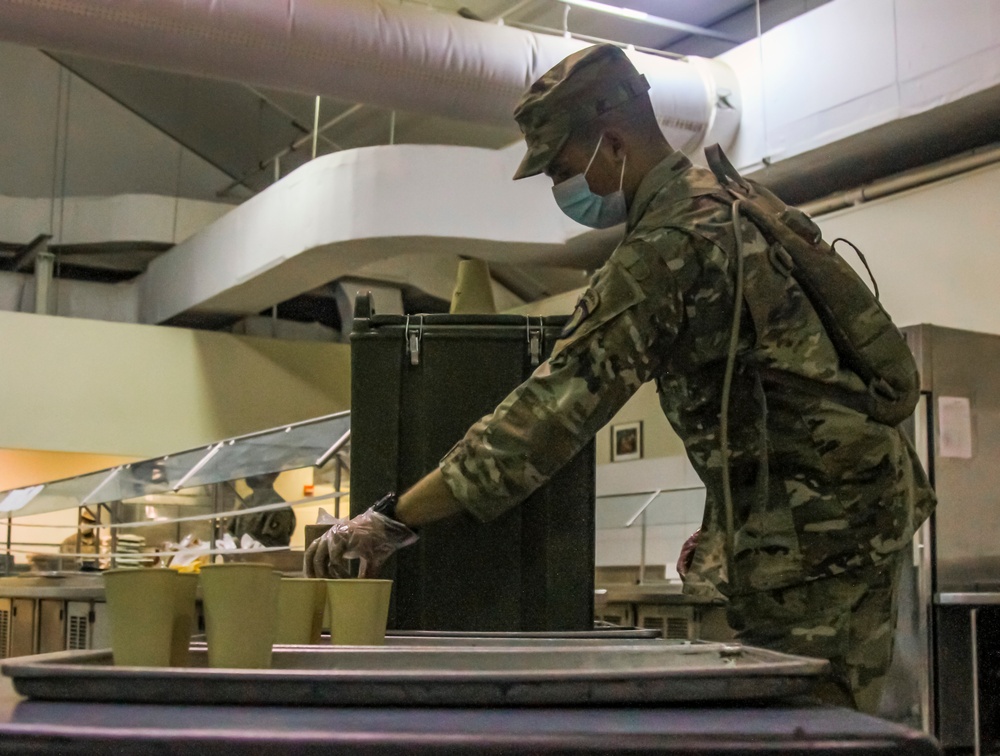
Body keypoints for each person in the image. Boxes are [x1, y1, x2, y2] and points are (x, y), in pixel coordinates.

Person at [306, 44, 935, 714]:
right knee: (829, 705)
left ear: (611, 143)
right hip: (841, 508)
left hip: (822, 531)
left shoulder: (668, 248)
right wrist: (728, 517)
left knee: (820, 718)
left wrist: (389, 520)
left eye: (562, 168)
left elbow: (544, 419)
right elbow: (765, 385)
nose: (560, 189)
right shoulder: (724, 202)